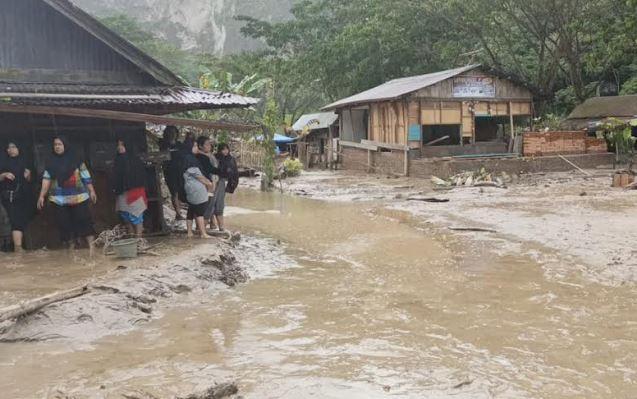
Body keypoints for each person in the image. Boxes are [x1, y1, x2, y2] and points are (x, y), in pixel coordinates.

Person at [37, 136, 97, 252]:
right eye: (55, 145)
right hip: (59, 199)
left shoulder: (76, 159)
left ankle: (92, 246)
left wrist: (92, 190)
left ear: (65, 145)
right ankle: (71, 246)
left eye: (60, 144)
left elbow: (85, 175)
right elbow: (46, 179)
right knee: (64, 224)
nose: (57, 147)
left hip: (78, 197)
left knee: (84, 220)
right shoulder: (50, 162)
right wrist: (41, 196)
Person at [0, 142, 33, 252]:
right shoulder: (3, 162)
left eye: (14, 147)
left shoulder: (24, 162)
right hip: (6, 197)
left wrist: (28, 176)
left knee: (19, 220)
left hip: (22, 197)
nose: (11, 150)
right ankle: (17, 248)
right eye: (9, 147)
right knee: (12, 221)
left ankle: (18, 248)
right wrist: (3, 175)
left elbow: (31, 181)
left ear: (19, 149)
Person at [113, 139, 148, 237]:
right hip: (122, 192)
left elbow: (140, 176)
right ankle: (132, 237)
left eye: (122, 145)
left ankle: (139, 238)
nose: (119, 147)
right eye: (118, 145)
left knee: (137, 215)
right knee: (125, 215)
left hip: (135, 191)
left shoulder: (135, 160)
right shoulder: (117, 160)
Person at [182, 138, 213, 238]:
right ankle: (203, 233)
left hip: (189, 188)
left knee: (191, 210)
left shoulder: (185, 158)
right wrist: (209, 184)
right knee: (199, 212)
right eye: (194, 146)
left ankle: (189, 232)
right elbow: (199, 176)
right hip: (196, 189)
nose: (196, 148)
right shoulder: (191, 160)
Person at [211, 143, 239, 232]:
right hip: (213, 181)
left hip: (222, 182)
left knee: (219, 203)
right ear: (219, 150)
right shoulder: (214, 158)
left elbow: (234, 172)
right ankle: (212, 222)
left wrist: (232, 184)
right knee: (211, 202)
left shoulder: (230, 159)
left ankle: (221, 226)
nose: (225, 151)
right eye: (223, 149)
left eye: (227, 149)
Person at [159, 126, 184, 220]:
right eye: (170, 132)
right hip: (169, 171)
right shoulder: (163, 144)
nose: (172, 134)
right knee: (174, 193)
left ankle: (180, 211)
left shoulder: (179, 144)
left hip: (180, 171)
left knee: (181, 192)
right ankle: (178, 213)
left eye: (174, 132)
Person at [195, 136, 219, 229]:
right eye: (207, 144)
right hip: (208, 183)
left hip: (211, 182)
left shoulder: (209, 155)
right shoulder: (203, 157)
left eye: (210, 144)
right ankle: (201, 228)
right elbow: (211, 170)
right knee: (206, 206)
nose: (210, 146)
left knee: (210, 205)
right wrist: (212, 183)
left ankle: (210, 225)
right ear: (200, 146)